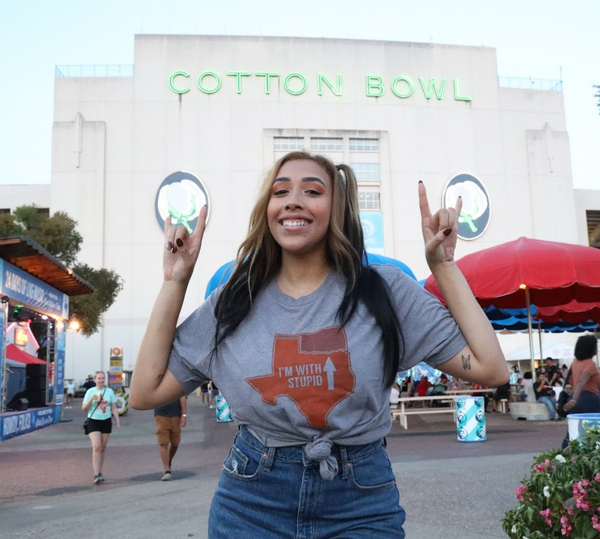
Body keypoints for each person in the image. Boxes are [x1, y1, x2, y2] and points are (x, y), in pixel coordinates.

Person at [130, 151, 507, 538]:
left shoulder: (385, 290)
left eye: (312, 190)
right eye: (281, 192)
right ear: (268, 210)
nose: (293, 200)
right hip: (252, 501)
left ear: (337, 209)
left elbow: (491, 368)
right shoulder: (233, 301)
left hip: (360, 502)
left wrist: (443, 266)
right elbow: (145, 391)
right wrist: (175, 282)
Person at [82, 371, 120, 484]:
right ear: (95, 380)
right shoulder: (90, 391)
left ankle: (99, 471)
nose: (101, 380)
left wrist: (117, 420)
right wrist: (91, 399)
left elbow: (113, 407)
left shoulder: (109, 392)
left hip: (106, 420)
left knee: (103, 448)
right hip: (93, 420)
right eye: (99, 378)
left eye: (103, 378)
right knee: (97, 446)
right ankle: (96, 474)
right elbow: (84, 408)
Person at [562, 335, 600, 446]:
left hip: (577, 399)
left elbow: (572, 381)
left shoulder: (575, 363)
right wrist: (574, 399)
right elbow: (581, 382)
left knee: (573, 431)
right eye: (595, 346)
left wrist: (573, 399)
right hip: (590, 399)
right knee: (594, 430)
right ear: (590, 348)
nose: (596, 349)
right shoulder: (590, 364)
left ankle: (564, 455)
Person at [154, 396, 187, 481]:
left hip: (176, 414)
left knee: (175, 443)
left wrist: (184, 415)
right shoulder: (157, 382)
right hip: (161, 413)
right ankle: (167, 471)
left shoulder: (177, 382)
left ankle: (168, 460)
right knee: (163, 442)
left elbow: (182, 396)